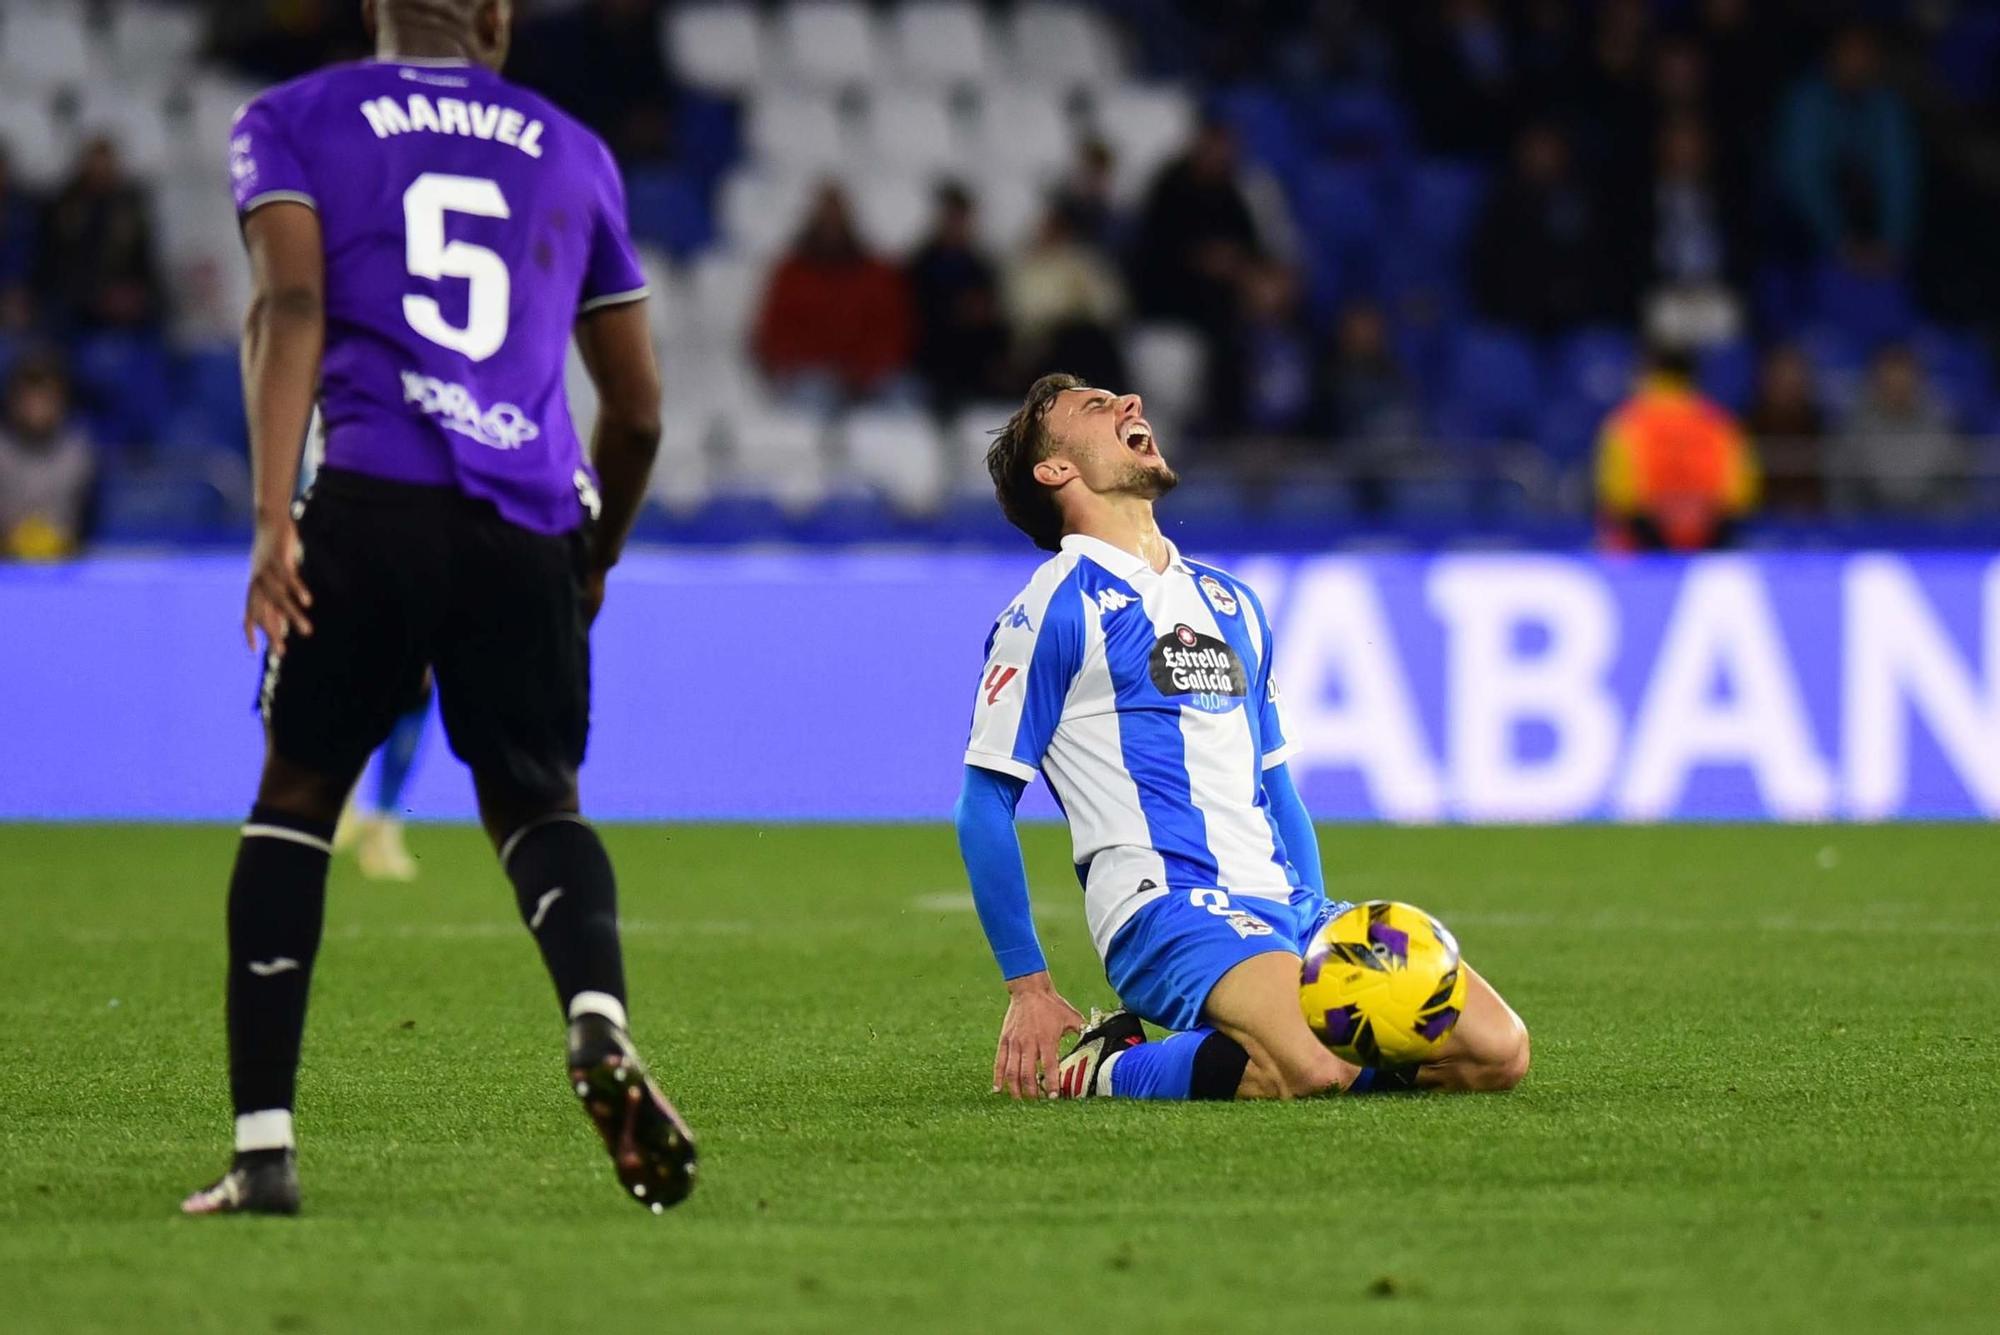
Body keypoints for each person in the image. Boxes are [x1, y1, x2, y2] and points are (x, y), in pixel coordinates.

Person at [182, 0, 695, 1217]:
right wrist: (595, 557)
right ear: (495, 20)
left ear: (375, 9)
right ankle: (595, 1015)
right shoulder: (571, 148)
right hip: (525, 522)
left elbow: (290, 310)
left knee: (297, 800)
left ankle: (263, 1152)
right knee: (535, 804)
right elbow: (637, 412)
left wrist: (270, 521)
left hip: (369, 500)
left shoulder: (291, 119)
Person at [954, 373, 1530, 1102]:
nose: (1131, 402)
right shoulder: (1051, 609)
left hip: (1286, 904)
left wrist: (1319, 948)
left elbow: (1277, 788)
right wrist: (1027, 984)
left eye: (1123, 398)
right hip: (1165, 905)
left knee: (1497, 1055)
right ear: (1056, 469)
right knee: (1319, 1065)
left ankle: (1258, 1044)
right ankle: (1107, 1067)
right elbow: (983, 802)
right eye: (1096, 407)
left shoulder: (1232, 602)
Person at [751, 182, 915, 409]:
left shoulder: (875, 273)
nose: (831, 224)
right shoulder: (791, 273)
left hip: (869, 379)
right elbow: (774, 332)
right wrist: (798, 364)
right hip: (810, 377)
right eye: (826, 215)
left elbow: (892, 329)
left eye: (837, 215)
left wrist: (865, 370)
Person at [1594, 343, 1758, 552]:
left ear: (1647, 372)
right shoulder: (1721, 424)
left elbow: (1618, 497)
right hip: (1710, 546)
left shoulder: (1626, 423)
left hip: (1646, 551)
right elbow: (1740, 496)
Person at [905, 182, 1011, 414]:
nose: (956, 224)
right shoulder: (921, 264)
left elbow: (993, 316)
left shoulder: (982, 267)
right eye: (951, 217)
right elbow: (914, 313)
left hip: (975, 358)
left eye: (961, 218)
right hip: (933, 357)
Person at [1829, 344, 1965, 516]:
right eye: (1890, 382)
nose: (1897, 388)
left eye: (1903, 381)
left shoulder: (1941, 427)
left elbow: (1955, 487)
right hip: (1869, 527)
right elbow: (1843, 492)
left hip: (1930, 526)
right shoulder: (1854, 429)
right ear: (1876, 383)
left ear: (1917, 382)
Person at [0, 354, 94, 560]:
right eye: (30, 399)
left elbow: (90, 521)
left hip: (66, 566)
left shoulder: (79, 451)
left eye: (46, 399)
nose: (37, 409)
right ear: (13, 401)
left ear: (62, 401)